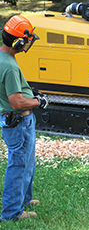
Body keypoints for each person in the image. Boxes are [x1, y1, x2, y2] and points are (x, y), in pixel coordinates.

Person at [0, 15, 49, 221]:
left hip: (19, 122)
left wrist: (30, 93)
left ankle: (25, 198)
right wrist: (39, 102)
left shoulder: (4, 58)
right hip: (18, 121)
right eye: (26, 40)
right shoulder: (9, 67)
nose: (28, 43)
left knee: (28, 162)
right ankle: (12, 213)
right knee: (18, 164)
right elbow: (17, 102)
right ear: (19, 42)